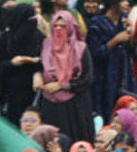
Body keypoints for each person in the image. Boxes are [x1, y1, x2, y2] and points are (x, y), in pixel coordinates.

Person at [35, 11, 93, 143]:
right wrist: (38, 77)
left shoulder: (80, 49)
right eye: (55, 26)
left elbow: (87, 78)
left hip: (75, 106)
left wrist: (62, 86)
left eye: (63, 26)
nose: (59, 29)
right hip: (50, 104)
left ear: (71, 28)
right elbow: (40, 66)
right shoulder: (46, 45)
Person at [88, 0, 136, 118]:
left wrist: (131, 34)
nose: (127, 4)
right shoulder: (96, 24)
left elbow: (132, 50)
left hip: (124, 73)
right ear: (113, 3)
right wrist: (115, 40)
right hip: (105, 77)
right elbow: (95, 53)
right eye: (123, 0)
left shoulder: (124, 20)